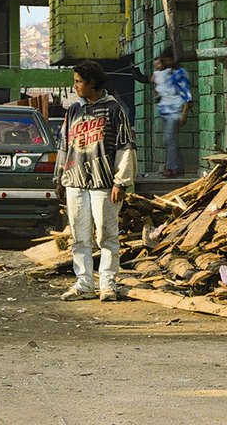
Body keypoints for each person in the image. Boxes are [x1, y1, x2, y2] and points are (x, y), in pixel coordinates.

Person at [57, 59, 137, 302]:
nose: (76, 87)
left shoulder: (114, 109)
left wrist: (121, 182)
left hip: (104, 183)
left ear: (93, 83)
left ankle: (108, 284)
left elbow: (125, 146)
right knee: (80, 236)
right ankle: (84, 284)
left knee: (106, 236)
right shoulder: (73, 110)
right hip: (75, 180)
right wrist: (59, 178)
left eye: (79, 82)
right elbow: (64, 145)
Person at [153, 48, 193, 178]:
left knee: (169, 140)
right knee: (171, 141)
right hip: (165, 110)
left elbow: (187, 95)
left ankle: (171, 169)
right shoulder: (167, 73)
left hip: (175, 111)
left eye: (168, 60)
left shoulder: (180, 73)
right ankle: (178, 168)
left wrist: (184, 114)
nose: (166, 62)